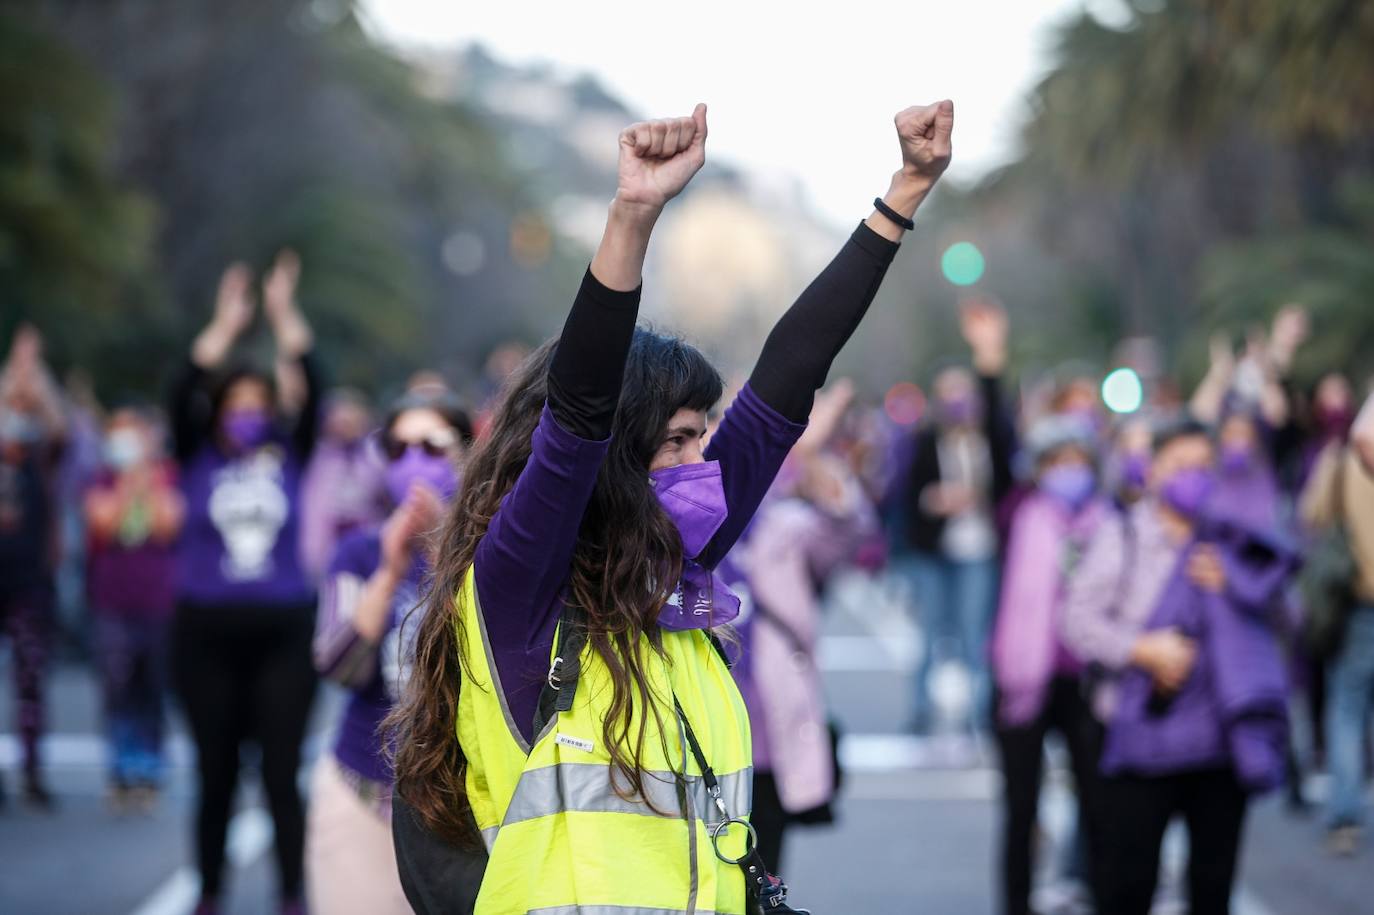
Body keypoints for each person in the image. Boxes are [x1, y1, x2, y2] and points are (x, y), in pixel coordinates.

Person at [388, 99, 955, 914]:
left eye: (703, 436)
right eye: (679, 440)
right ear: (615, 457)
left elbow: (790, 378)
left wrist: (902, 195)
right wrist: (633, 217)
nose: (704, 463)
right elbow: (578, 413)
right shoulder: (522, 588)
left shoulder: (671, 578)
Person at [1062, 418, 1298, 915]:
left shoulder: (1234, 536)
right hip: (1141, 736)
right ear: (1152, 472)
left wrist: (1236, 583)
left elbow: (1291, 616)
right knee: (1128, 885)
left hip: (1218, 743)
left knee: (1213, 885)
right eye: (1179, 467)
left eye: (1201, 467)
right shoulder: (1123, 534)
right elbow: (1076, 620)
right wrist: (1141, 649)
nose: (1192, 478)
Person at [169, 252, 321, 915]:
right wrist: (225, 325)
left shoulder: (290, 450)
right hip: (204, 633)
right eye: (236, 404)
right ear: (216, 412)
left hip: (283, 631)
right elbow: (182, 386)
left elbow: (315, 382)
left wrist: (284, 314)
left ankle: (292, 892)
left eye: (259, 404)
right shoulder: (194, 454)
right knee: (216, 774)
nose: (248, 413)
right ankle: (208, 891)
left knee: (283, 775)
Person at [306, 389, 472, 914]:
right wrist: (390, 570)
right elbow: (338, 667)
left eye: (432, 445)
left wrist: (449, 548)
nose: (414, 462)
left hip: (466, 803)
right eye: (398, 449)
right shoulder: (359, 551)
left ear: (467, 455)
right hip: (364, 791)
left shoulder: (494, 552)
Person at [723, 381, 879, 873]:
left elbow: (847, 530)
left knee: (765, 870)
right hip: (700, 730)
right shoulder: (672, 523)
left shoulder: (783, 522)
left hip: (766, 722)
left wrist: (814, 462)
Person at [990, 415, 1110, 915]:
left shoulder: (1108, 522)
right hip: (1024, 678)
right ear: (1038, 469)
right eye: (1057, 462)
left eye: (1078, 461)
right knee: (1022, 806)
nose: (1069, 471)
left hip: (1088, 680)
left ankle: (1104, 894)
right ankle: (1016, 903)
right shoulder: (1020, 513)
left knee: (1100, 803)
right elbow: (999, 443)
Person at [899, 299, 1015, 733]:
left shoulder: (989, 440)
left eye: (962, 392)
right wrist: (934, 500)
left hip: (978, 550)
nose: (956, 401)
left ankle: (980, 716)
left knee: (973, 636)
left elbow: (1000, 422)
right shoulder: (924, 441)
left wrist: (989, 354)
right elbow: (905, 498)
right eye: (947, 392)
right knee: (928, 636)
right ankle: (920, 711)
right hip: (932, 551)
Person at [84, 406, 184, 810]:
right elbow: (102, 523)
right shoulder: (100, 480)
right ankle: (120, 766)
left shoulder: (168, 477)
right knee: (117, 686)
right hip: (112, 601)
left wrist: (148, 480)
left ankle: (150, 767)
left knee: (152, 687)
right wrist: (129, 483)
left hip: (157, 601)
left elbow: (167, 523)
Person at [1301, 388, 1374, 855]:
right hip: (1357, 608)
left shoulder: (1341, 458)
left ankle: (1345, 816)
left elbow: (1312, 514)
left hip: (1357, 603)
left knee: (1346, 711)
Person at [0, 324, 67, 808]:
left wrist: (32, 371)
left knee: (30, 681)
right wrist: (13, 374)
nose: (18, 417)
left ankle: (32, 770)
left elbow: (57, 423)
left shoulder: (44, 459)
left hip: (29, 582)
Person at [299, 388, 387, 584]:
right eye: (337, 421)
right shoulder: (319, 456)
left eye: (349, 421)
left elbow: (385, 493)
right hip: (324, 551)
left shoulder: (375, 456)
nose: (342, 427)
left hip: (367, 547)